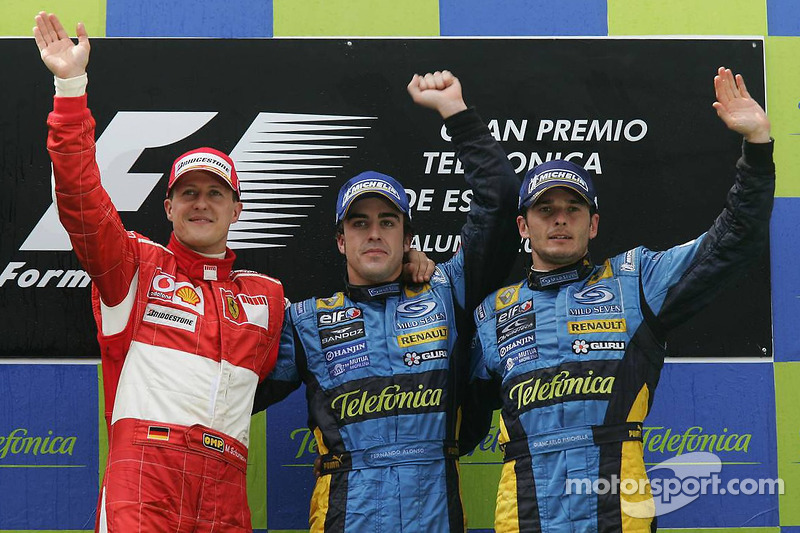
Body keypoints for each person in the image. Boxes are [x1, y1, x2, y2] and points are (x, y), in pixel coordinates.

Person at [469, 67, 774, 532]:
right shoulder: (492, 314)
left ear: (592, 225)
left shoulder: (636, 281)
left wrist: (756, 151)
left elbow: (731, 242)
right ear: (522, 227)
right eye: (545, 210)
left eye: (574, 209)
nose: (560, 220)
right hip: (525, 520)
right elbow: (443, 417)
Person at [34, 12, 287, 532]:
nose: (201, 203)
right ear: (168, 207)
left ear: (236, 210)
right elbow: (81, 202)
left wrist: (413, 267)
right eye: (187, 193)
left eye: (215, 193)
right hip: (145, 482)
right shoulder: (134, 267)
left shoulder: (268, 298)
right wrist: (70, 88)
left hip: (224, 494)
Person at [253, 71, 521, 531]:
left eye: (387, 221)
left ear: (407, 235)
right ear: (340, 241)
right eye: (359, 223)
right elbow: (235, 389)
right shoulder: (305, 322)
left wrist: (456, 113)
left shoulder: (448, 290)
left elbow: (498, 202)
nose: (373, 232)